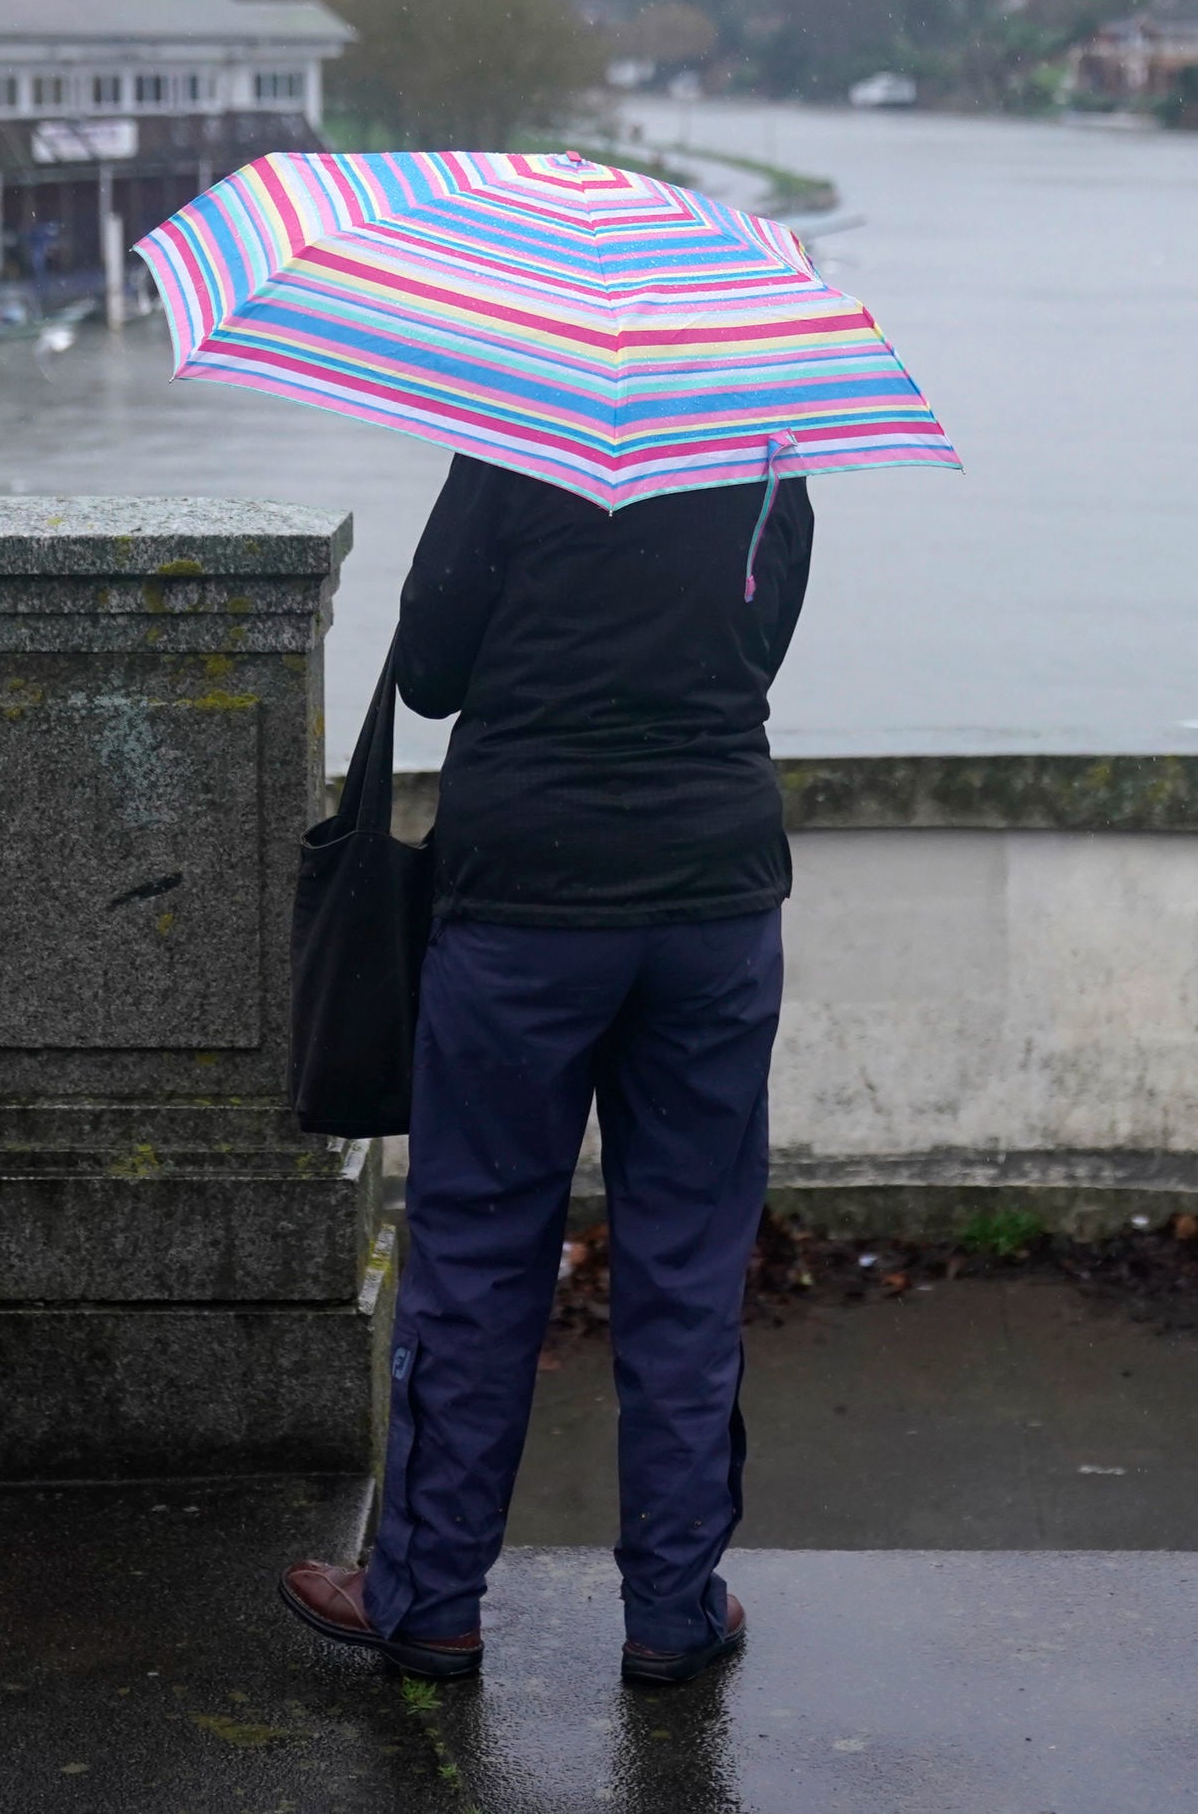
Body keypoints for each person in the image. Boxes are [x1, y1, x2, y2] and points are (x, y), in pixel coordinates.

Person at [280, 448, 814, 1689]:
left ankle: (426, 1599)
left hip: (526, 907)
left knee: (477, 1247)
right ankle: (676, 1608)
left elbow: (429, 672)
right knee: (687, 1258)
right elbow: (760, 642)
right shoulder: (768, 439)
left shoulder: (520, 437)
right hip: (714, 906)